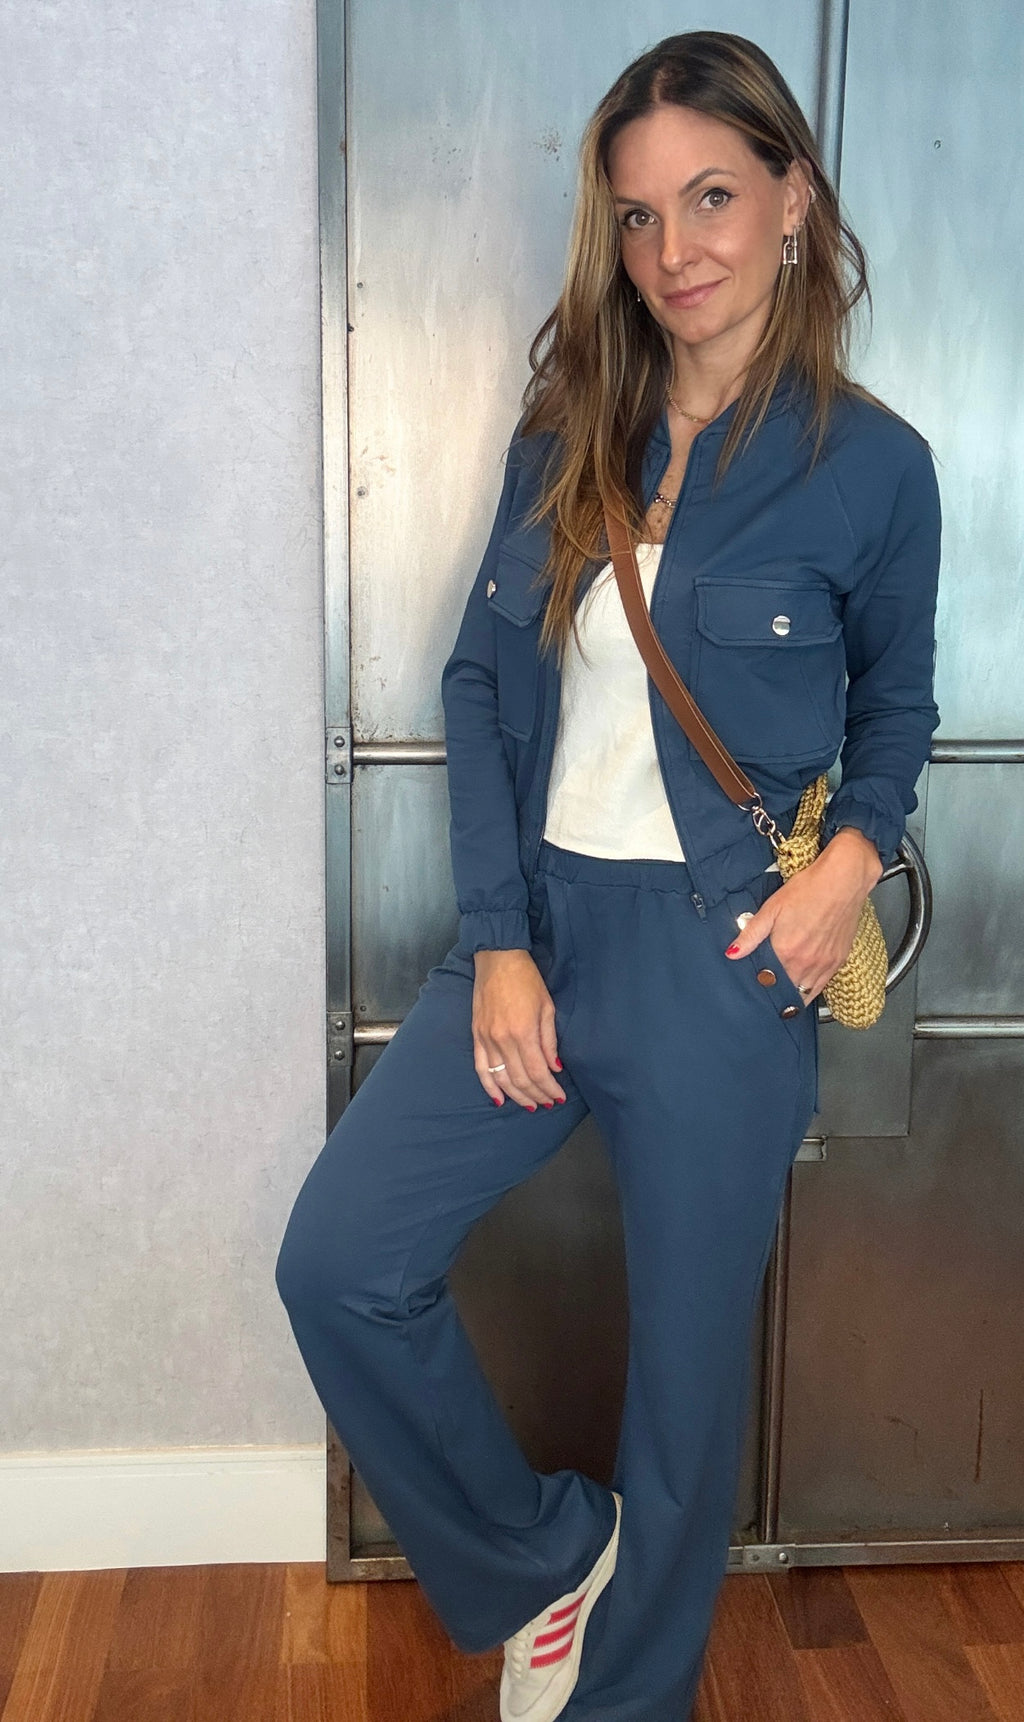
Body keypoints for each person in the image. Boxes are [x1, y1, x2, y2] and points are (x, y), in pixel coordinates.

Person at [276, 29, 941, 1722]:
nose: (674, 250)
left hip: (724, 965)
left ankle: (627, 1698)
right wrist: (498, 941)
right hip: (545, 934)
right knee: (340, 1259)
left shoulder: (874, 467)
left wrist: (845, 872)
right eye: (639, 215)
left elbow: (898, 712)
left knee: (685, 1400)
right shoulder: (572, 425)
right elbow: (478, 680)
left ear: (793, 198)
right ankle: (542, 1557)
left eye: (712, 197)